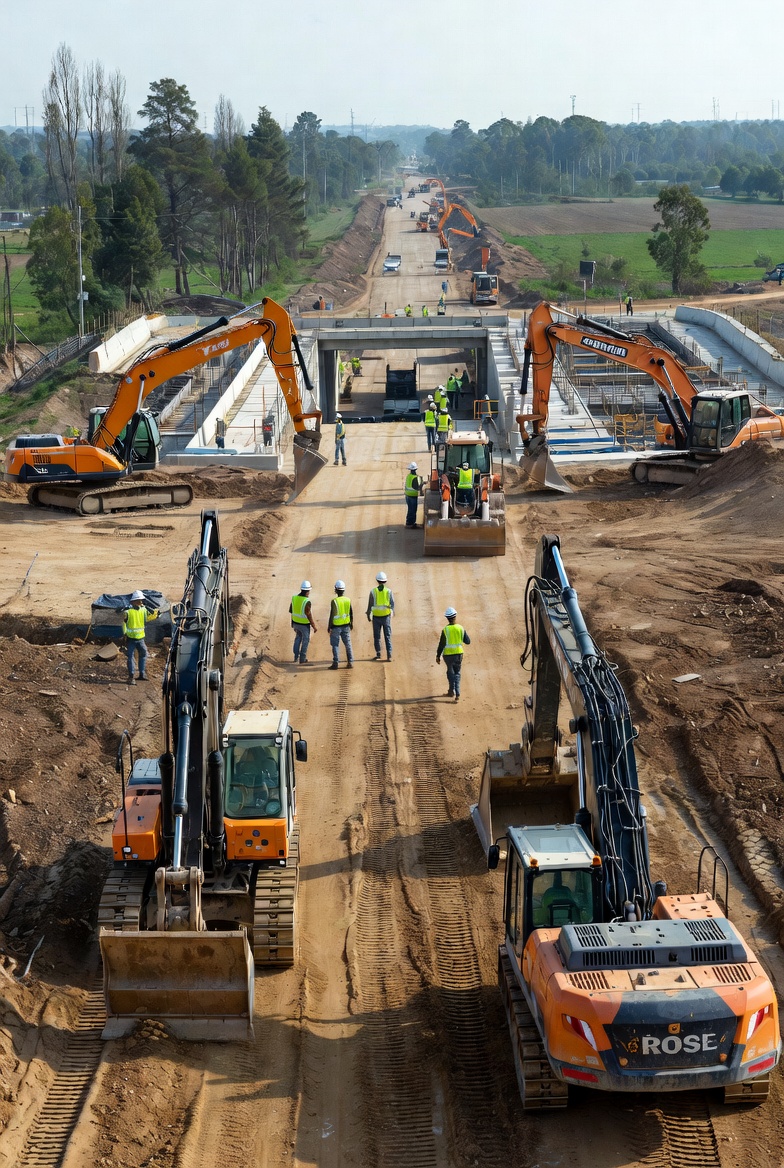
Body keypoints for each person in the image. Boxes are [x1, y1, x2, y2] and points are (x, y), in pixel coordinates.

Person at [123, 590, 158, 684]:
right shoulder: (131, 611)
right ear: (134, 601)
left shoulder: (132, 611)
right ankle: (132, 676)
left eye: (141, 601)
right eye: (140, 600)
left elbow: (147, 618)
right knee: (133, 657)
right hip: (135, 639)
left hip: (136, 639)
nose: (141, 602)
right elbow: (124, 623)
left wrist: (155, 613)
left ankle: (139, 675)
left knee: (137, 656)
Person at [436, 606, 471, 702]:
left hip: (448, 656)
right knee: (457, 673)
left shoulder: (445, 630)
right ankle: (457, 692)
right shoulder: (460, 628)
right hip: (459, 655)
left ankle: (452, 691)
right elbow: (468, 641)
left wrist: (438, 656)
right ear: (455, 616)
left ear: (447, 618)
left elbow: (441, 644)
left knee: (450, 672)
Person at [366, 571, 394, 661]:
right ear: (385, 581)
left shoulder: (373, 592)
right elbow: (392, 604)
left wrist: (368, 614)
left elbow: (370, 604)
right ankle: (389, 655)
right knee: (387, 636)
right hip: (386, 617)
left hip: (376, 617)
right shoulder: (389, 591)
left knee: (377, 636)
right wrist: (391, 613)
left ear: (377, 580)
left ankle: (378, 654)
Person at [289, 581, 317, 665]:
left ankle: (296, 657)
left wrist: (292, 623)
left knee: (298, 638)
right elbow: (308, 614)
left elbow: (291, 611)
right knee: (305, 640)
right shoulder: (306, 601)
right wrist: (313, 625)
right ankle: (302, 658)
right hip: (304, 625)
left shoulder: (294, 598)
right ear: (307, 591)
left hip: (296, 623)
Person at [328, 580, 354, 669]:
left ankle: (335, 663)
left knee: (335, 645)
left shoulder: (334, 601)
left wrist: (329, 626)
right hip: (346, 625)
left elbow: (332, 615)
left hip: (336, 626)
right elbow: (351, 612)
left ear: (336, 590)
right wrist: (351, 623)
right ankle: (350, 662)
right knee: (348, 644)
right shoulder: (348, 600)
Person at [404, 461, 423, 529]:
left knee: (410, 510)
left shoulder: (408, 476)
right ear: (415, 469)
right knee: (413, 510)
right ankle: (410, 524)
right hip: (412, 496)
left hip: (407, 496)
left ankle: (409, 522)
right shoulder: (416, 477)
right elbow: (418, 487)